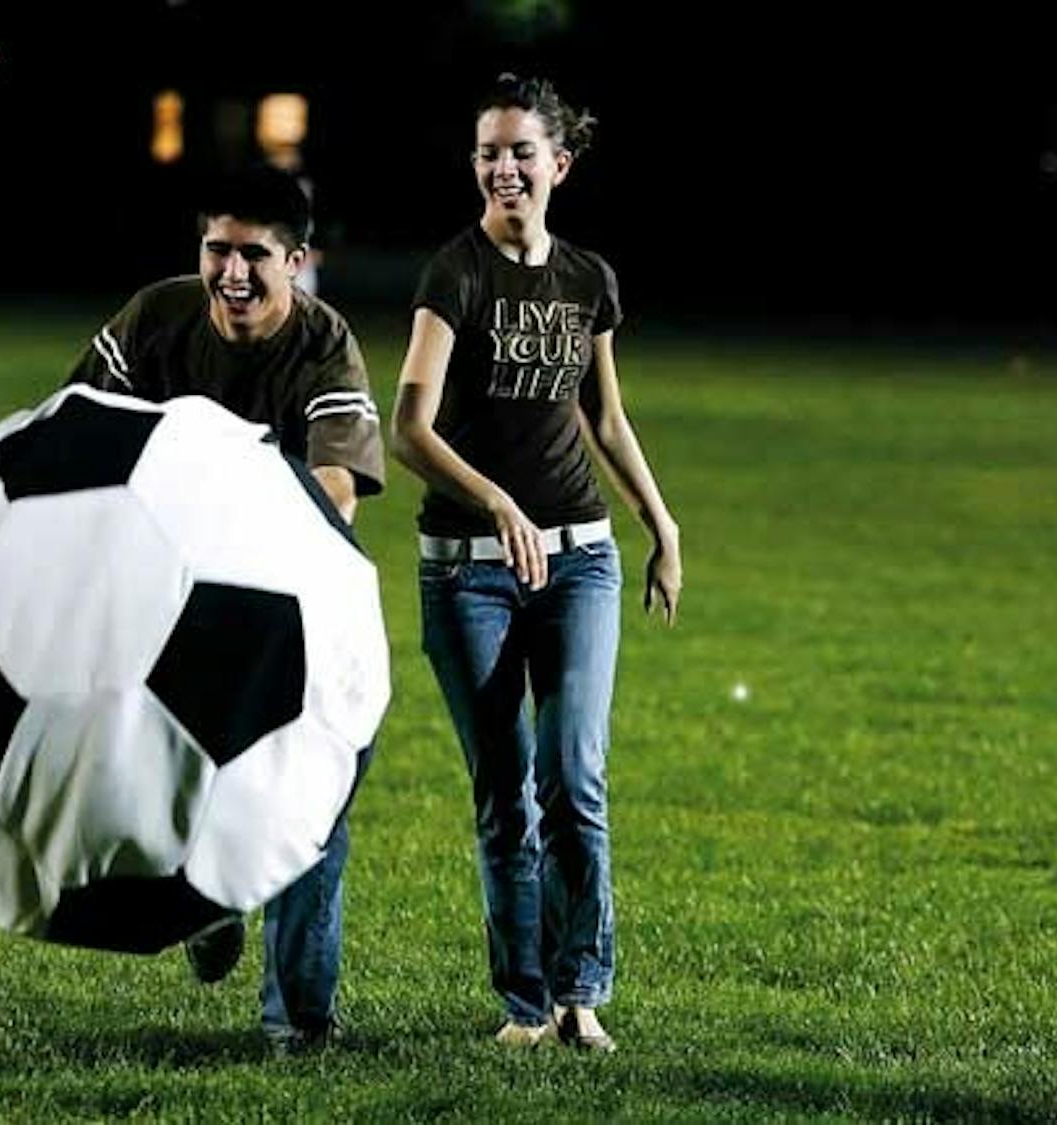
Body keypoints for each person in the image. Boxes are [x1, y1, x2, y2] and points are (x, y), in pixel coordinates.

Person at [390, 73, 682, 1052]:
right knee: (504, 795)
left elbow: (604, 416)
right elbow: (409, 428)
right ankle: (522, 1008)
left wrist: (661, 524)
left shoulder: (587, 278)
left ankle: (579, 994)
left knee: (574, 776)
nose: (504, 167)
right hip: (466, 569)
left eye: (522, 151)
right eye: (488, 152)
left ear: (559, 163)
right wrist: (496, 499)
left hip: (582, 562)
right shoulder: (454, 274)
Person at [66, 164, 385, 1054]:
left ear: (297, 260)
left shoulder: (325, 343)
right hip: (166, 608)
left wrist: (211, 535)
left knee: (310, 803)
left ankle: (299, 1023)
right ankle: (207, 897)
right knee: (162, 777)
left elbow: (334, 492)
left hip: (305, 608)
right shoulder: (155, 318)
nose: (232, 273)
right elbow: (80, 426)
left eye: (255, 255)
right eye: (218, 250)